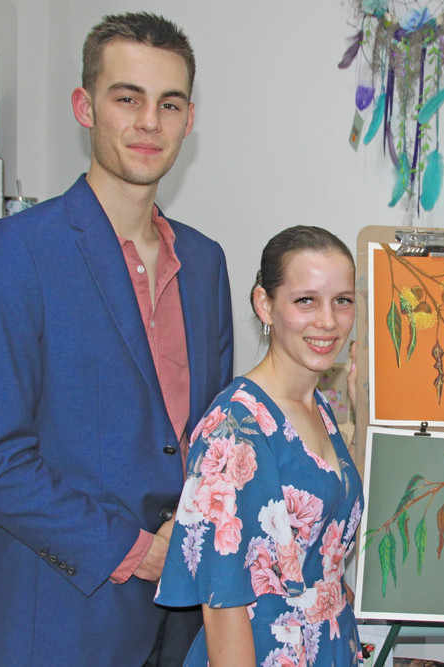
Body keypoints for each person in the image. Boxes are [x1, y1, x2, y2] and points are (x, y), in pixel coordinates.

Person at [0, 12, 233, 667]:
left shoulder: (206, 261)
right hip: (62, 620)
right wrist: (138, 550)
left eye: (168, 104)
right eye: (126, 98)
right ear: (85, 107)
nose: (148, 123)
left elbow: (214, 441)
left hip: (187, 622)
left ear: (189, 120)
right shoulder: (15, 251)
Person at [155, 226, 364, 666]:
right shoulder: (235, 427)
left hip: (327, 645)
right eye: (305, 300)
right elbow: (223, 602)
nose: (328, 320)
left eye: (342, 300)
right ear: (264, 304)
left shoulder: (316, 406)